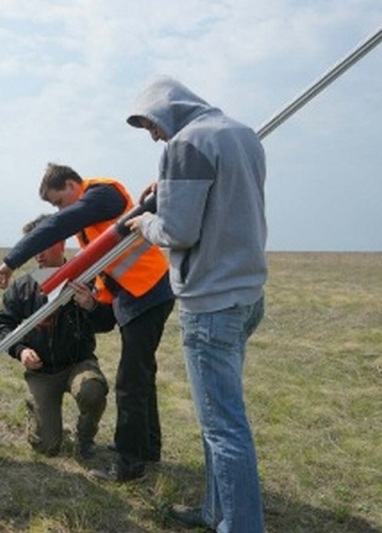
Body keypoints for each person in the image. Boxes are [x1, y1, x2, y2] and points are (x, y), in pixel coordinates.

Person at [125, 75, 267, 532]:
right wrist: (167, 192)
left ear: (168, 110)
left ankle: (240, 526)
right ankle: (215, 511)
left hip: (209, 302)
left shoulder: (185, 145)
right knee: (219, 419)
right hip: (246, 295)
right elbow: (217, 203)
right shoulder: (242, 134)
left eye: (152, 125)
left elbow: (178, 231)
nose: (154, 136)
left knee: (223, 427)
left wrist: (145, 222)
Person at [0, 164, 175, 482]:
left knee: (130, 382)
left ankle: (129, 465)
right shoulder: (90, 223)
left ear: (71, 184)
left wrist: (13, 259)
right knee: (141, 378)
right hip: (135, 297)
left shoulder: (102, 194)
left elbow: (61, 223)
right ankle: (148, 450)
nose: (61, 210)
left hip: (147, 291)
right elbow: (106, 272)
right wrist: (94, 303)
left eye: (59, 201)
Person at [0, 214, 110, 459]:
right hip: (42, 373)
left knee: (92, 390)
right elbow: (4, 327)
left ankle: (85, 437)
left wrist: (91, 305)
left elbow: (108, 322)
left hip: (78, 363)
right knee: (47, 447)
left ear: (60, 241)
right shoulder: (21, 288)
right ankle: (37, 410)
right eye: (32, 246)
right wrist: (21, 351)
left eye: (43, 244)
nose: (38, 253)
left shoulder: (88, 280)